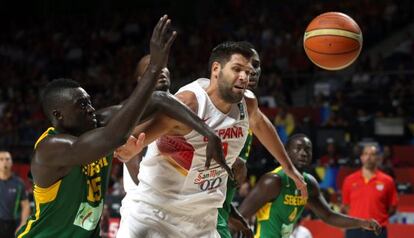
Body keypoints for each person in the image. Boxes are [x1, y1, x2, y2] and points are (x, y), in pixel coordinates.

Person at [116, 41, 307, 238]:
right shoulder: (188, 104)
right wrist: (127, 151)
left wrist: (290, 170)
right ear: (216, 69)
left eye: (248, 72)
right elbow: (133, 141)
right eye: (237, 69)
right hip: (155, 216)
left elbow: (260, 124)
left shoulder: (247, 104)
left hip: (202, 222)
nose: (244, 77)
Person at [16, 15, 177, 238]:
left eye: (90, 102)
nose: (91, 109)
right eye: (82, 105)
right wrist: (153, 69)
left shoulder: (97, 123)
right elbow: (115, 137)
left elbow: (157, 100)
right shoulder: (51, 147)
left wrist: (206, 131)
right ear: (58, 115)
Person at [238, 134, 381, 238]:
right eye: (298, 149)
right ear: (286, 152)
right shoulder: (273, 181)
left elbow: (328, 216)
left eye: (307, 149)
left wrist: (362, 223)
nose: (303, 153)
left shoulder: (309, 184)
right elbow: (239, 216)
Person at [217, 45, 261, 238]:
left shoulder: (248, 107)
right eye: (239, 67)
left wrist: (236, 217)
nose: (251, 71)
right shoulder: (214, 104)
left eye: (255, 66)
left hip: (219, 210)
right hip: (201, 216)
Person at [342, 144, 398, 238]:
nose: (368, 157)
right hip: (354, 230)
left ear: (378, 158)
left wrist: (378, 217)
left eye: (372, 154)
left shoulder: (387, 181)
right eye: (366, 154)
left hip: (378, 231)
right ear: (361, 157)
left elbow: (392, 207)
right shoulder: (349, 180)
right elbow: (346, 206)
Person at [0, 150, 30, 238]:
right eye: (1, 159)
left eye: (7, 159)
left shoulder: (19, 183)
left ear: (11, 162)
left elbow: (26, 205)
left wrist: (23, 224)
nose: (4, 162)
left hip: (13, 225)